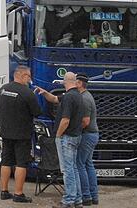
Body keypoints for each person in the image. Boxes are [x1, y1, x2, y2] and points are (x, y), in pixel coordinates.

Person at [36, 72, 84, 208]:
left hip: (66, 138)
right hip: (75, 136)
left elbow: (65, 120)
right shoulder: (77, 95)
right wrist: (45, 93)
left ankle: (69, 200)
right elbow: (55, 99)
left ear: (65, 81)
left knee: (67, 170)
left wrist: (58, 134)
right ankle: (77, 199)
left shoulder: (69, 97)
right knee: (73, 168)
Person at [0, 65, 42, 203]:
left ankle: (4, 191)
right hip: (22, 133)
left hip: (5, 131)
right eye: (29, 77)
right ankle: (18, 193)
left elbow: (0, 107)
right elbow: (37, 112)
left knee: (6, 161)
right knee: (21, 163)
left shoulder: (2, 89)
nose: (30, 80)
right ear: (23, 75)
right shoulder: (27, 93)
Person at [75, 73, 99, 206]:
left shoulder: (84, 99)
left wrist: (75, 130)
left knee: (80, 164)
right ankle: (94, 196)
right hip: (93, 134)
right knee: (88, 164)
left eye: (75, 82)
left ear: (79, 84)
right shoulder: (88, 96)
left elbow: (85, 121)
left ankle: (86, 196)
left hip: (87, 134)